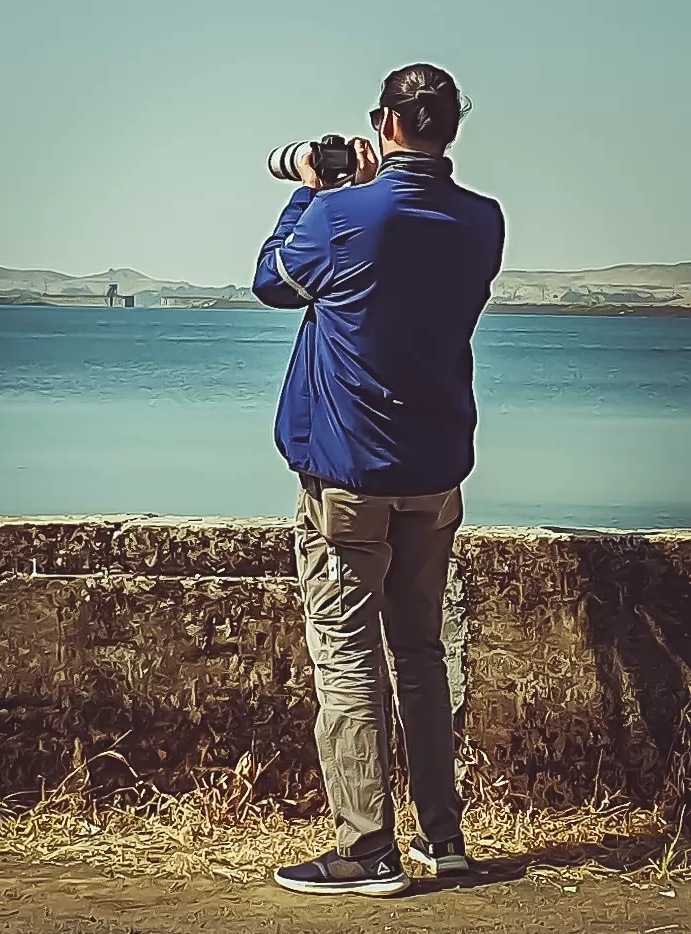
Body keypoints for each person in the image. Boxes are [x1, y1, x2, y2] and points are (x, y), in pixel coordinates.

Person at [252, 62, 505, 897]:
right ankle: (445, 837)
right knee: (422, 655)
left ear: (385, 121)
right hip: (435, 476)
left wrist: (311, 190)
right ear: (450, 128)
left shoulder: (341, 215)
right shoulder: (483, 222)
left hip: (349, 478)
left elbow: (272, 284)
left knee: (349, 657)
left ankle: (366, 852)